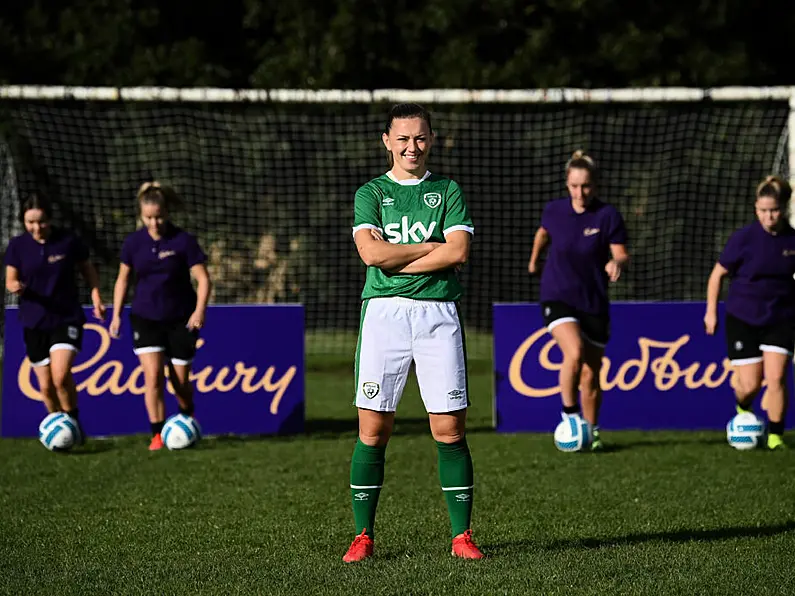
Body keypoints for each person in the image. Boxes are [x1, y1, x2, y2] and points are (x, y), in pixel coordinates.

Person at [342, 103, 483, 562]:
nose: (411, 147)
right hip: (383, 314)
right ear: (387, 141)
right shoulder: (371, 193)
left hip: (438, 314)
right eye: (402, 139)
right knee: (374, 429)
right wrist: (430, 248)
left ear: (432, 140)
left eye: (420, 138)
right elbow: (371, 255)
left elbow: (458, 251)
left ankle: (461, 536)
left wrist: (398, 254)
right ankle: (363, 535)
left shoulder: (447, 190)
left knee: (448, 428)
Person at [527, 150, 630, 451]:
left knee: (590, 373)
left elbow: (621, 252)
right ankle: (570, 416)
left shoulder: (607, 215)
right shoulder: (554, 210)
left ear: (594, 185)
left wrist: (617, 263)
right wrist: (534, 261)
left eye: (585, 186)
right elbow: (542, 234)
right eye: (574, 186)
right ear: (567, 185)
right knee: (574, 353)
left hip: (593, 301)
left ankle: (592, 430)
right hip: (557, 294)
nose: (579, 192)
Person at [109, 182, 211, 451]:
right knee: (153, 377)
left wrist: (200, 310)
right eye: (149, 218)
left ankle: (186, 420)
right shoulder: (133, 243)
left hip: (181, 318)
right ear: (141, 216)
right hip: (145, 318)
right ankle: (157, 434)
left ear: (167, 213)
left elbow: (202, 279)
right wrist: (116, 315)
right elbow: (123, 280)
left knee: (179, 382)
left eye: (159, 217)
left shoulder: (183, 241)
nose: (154, 223)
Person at [4, 194, 106, 441]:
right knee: (46, 387)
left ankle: (74, 426)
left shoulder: (68, 241)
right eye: (30, 223)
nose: (36, 228)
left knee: (61, 377)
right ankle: (58, 433)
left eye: (41, 222)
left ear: (50, 220)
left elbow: (87, 268)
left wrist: (96, 296)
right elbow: (9, 279)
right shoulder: (18, 246)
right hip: (34, 321)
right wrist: (14, 286)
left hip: (65, 317)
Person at [704, 175, 795, 451]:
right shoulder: (743, 239)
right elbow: (717, 275)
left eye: (775, 210)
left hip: (780, 317)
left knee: (777, 377)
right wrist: (711, 312)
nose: (770, 216)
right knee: (750, 385)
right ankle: (742, 406)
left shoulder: (792, 240)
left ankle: (776, 435)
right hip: (743, 317)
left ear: (783, 209)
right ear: (756, 209)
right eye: (764, 211)